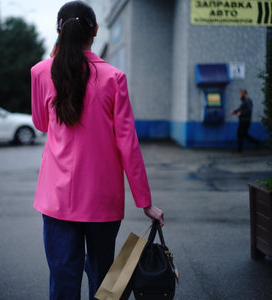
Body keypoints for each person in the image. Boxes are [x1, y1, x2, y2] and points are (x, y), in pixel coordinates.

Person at [30, 1, 164, 299]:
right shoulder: (114, 78)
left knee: (63, 278)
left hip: (56, 198)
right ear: (95, 31)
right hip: (102, 200)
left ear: (58, 32)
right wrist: (145, 202)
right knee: (104, 283)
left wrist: (54, 60)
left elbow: (41, 124)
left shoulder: (41, 72)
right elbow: (128, 144)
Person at [230, 89, 260, 153]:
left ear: (245, 94)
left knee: (240, 134)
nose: (240, 95)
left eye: (241, 94)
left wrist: (241, 113)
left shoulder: (248, 101)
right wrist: (234, 112)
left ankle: (239, 150)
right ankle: (257, 143)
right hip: (243, 121)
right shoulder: (244, 101)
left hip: (245, 121)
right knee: (244, 135)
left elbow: (249, 110)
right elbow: (240, 109)